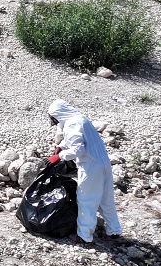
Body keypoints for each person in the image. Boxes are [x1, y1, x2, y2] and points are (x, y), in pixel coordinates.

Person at [46, 99, 123, 244]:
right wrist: (61, 146)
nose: (54, 121)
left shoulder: (71, 124)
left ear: (58, 114)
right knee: (106, 199)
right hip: (104, 162)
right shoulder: (81, 119)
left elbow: (78, 149)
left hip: (90, 166)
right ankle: (114, 232)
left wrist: (59, 156)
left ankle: (84, 236)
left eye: (54, 118)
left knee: (86, 200)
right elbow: (78, 139)